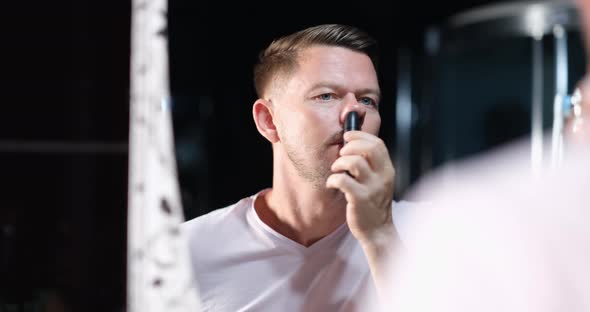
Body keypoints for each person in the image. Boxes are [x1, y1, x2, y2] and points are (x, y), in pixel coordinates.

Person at [182, 24, 412, 311]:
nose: (355, 112)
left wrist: (380, 236)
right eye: (326, 96)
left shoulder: (434, 231)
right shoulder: (189, 252)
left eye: (368, 100)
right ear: (268, 120)